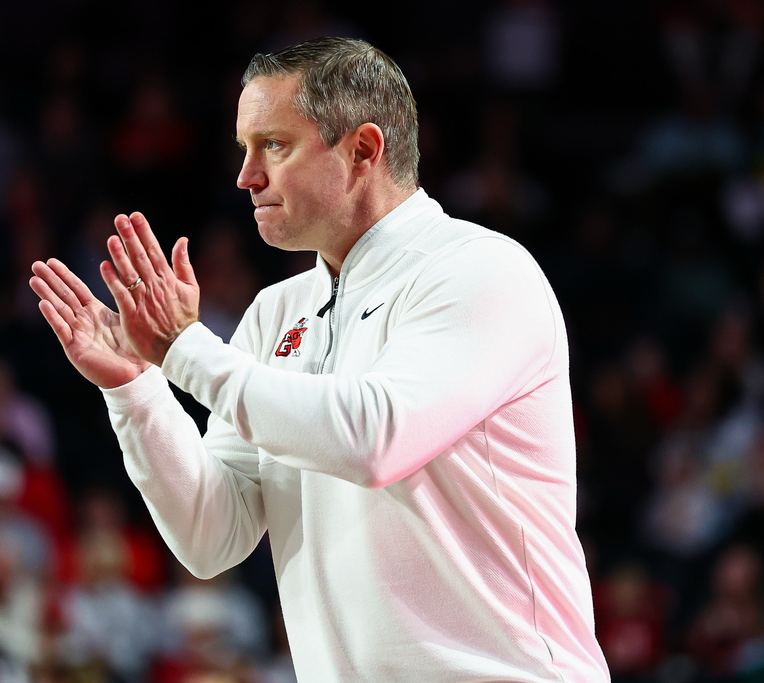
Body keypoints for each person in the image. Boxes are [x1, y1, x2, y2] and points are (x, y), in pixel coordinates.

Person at [30, 36, 609, 681]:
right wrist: (138, 391)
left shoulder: (481, 272)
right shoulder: (276, 313)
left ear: (363, 149)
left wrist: (188, 352)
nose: (247, 176)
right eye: (244, 149)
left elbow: (374, 438)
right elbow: (210, 539)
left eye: (273, 145)